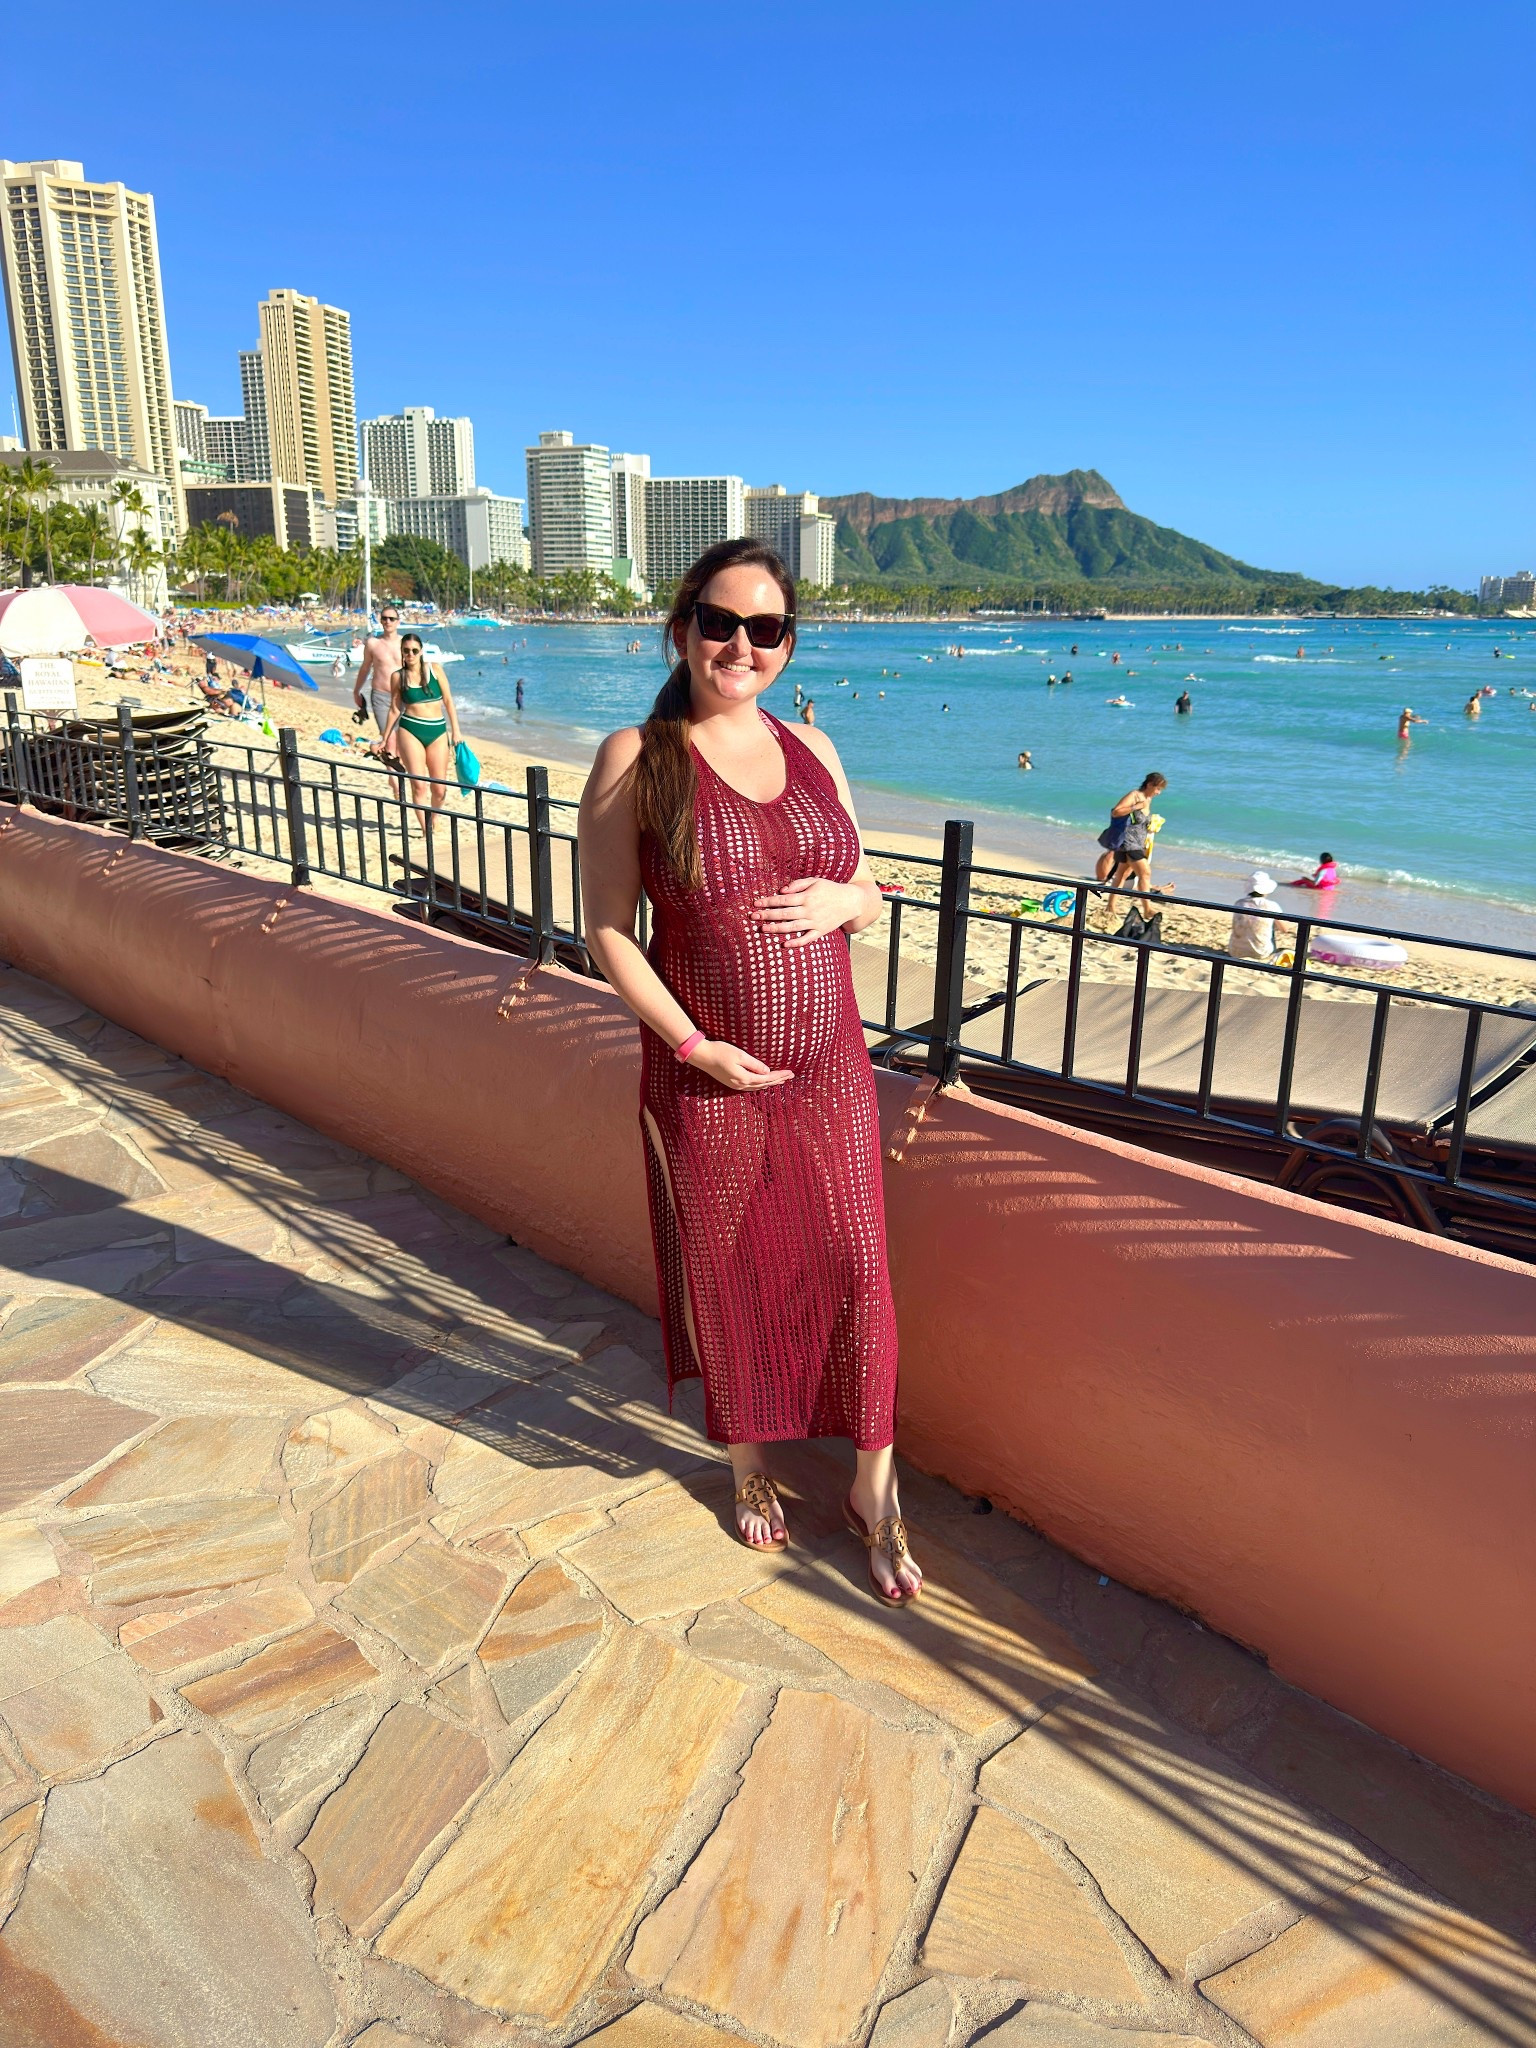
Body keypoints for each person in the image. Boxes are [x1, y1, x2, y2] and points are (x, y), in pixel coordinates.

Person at [577, 539, 919, 1605]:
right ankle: (747, 1458)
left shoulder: (815, 744)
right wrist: (691, 1043)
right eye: (721, 622)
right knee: (728, 1270)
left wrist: (849, 901)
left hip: (831, 1070)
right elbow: (604, 928)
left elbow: (866, 880)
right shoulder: (638, 754)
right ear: (681, 628)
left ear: (787, 645)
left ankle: (875, 1485)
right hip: (709, 1076)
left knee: (859, 1270)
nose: (741, 645)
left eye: (766, 629)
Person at [379, 632, 462, 845]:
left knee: (439, 789)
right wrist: (384, 737)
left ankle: (433, 819)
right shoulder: (398, 677)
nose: (410, 654)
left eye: (414, 650)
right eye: (406, 651)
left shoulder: (435, 669)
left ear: (421, 651)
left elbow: (449, 702)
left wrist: (456, 731)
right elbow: (395, 708)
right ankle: (427, 832)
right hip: (410, 730)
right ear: (402, 652)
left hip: (437, 731)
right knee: (419, 786)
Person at [1096, 773, 1166, 884]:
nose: (1158, 792)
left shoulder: (1148, 800)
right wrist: (1135, 807)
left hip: (1138, 843)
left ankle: (1108, 889)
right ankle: (1102, 879)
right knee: (1144, 873)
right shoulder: (1134, 795)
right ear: (1149, 785)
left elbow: (1139, 820)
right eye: (1157, 789)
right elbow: (1116, 812)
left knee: (1121, 876)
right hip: (1127, 840)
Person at [355, 605, 404, 734]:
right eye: (384, 618)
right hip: (380, 696)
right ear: (381, 620)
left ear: (398, 621)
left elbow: (416, 669)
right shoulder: (373, 643)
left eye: (392, 619)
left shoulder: (405, 643)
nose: (388, 621)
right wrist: (356, 691)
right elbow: (365, 668)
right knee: (387, 736)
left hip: (403, 696)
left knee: (403, 737)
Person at [1228, 871, 1284, 962]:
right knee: (1271, 922)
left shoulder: (1239, 903)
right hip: (1261, 953)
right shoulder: (1271, 905)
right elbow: (1284, 929)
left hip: (1235, 951)